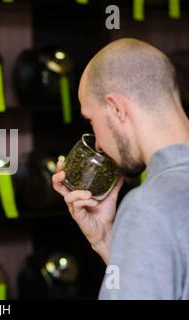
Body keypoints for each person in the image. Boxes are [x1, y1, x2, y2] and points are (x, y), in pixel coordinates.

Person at [52, 38, 189, 299]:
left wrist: (135, 223)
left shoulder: (149, 207)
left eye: (91, 121)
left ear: (116, 108)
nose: (100, 145)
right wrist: (106, 240)